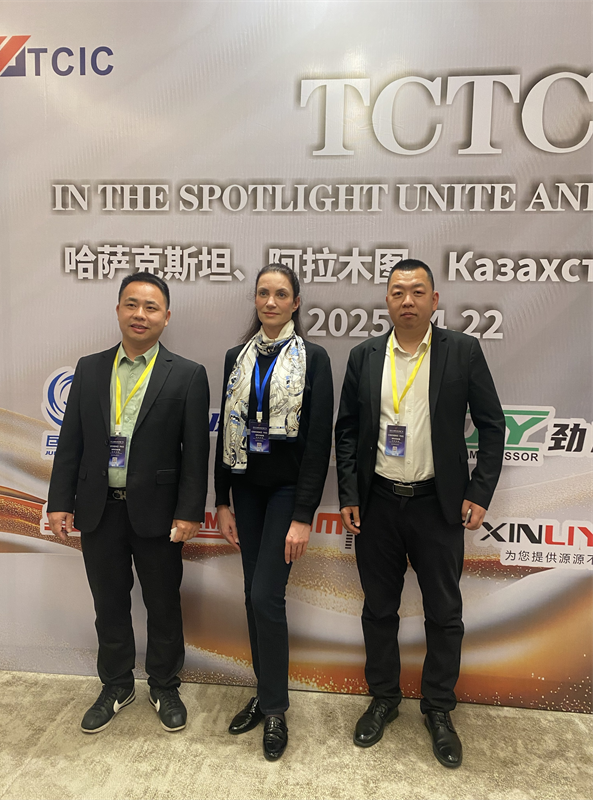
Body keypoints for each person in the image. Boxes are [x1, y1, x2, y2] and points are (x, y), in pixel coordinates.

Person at [335, 258, 505, 768]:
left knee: (444, 614)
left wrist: (480, 490)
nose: (406, 300)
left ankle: (438, 708)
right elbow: (348, 431)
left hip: (438, 505)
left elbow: (492, 425)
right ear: (386, 301)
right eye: (397, 291)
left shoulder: (463, 351)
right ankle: (384, 698)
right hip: (379, 504)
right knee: (378, 610)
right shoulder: (365, 356)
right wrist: (349, 494)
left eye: (416, 291)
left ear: (434, 300)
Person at [47, 273, 210, 734]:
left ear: (166, 317)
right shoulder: (90, 368)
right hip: (98, 508)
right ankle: (117, 684)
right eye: (132, 304)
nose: (141, 315)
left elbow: (195, 454)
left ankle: (165, 685)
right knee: (109, 603)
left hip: (158, 513)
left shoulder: (188, 374)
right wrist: (59, 502)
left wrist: (189, 511)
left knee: (163, 603)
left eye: (151, 307)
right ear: (118, 309)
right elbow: (71, 441)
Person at [215, 263, 333, 761]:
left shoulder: (314, 358)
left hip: (286, 492)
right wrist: (221, 500)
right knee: (252, 596)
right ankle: (265, 696)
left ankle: (276, 709)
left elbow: (318, 443)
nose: (270, 301)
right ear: (255, 299)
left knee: (266, 596)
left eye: (281, 294)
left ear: (296, 302)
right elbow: (225, 430)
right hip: (246, 489)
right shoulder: (235, 357)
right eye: (263, 293)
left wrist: (304, 515)